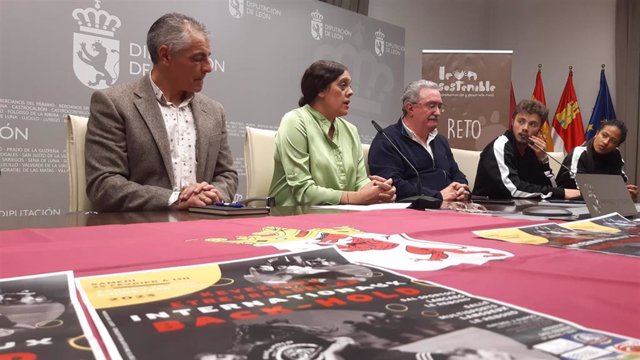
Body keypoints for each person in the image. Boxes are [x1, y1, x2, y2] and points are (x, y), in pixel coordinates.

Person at [85, 13, 238, 212]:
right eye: (197, 58)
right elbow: (104, 184)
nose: (208, 67)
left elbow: (227, 175)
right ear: (165, 55)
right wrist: (175, 199)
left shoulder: (214, 111)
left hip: (205, 229)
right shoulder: (113, 103)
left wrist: (212, 195)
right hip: (142, 230)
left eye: (208, 58)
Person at [268, 60, 396, 206]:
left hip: (340, 219)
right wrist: (352, 198)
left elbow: (359, 182)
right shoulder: (295, 121)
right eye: (343, 85)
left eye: (350, 85)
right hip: (293, 218)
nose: (351, 92)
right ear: (321, 90)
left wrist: (379, 191)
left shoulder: (350, 130)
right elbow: (302, 190)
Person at [368, 80, 469, 201]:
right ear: (410, 108)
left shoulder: (440, 140)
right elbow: (392, 184)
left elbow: (457, 173)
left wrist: (461, 189)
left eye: (439, 106)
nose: (437, 112)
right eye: (431, 106)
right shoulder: (386, 140)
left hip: (452, 206)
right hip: (414, 212)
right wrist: (437, 197)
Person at [473, 99, 581, 200]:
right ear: (512, 122)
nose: (525, 128)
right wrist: (561, 193)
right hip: (489, 209)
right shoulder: (500, 146)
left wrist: (543, 160)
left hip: (523, 210)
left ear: (539, 128)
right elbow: (513, 189)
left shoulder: (533, 149)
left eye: (532, 124)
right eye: (521, 121)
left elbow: (551, 187)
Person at [556, 120, 638, 201]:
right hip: (571, 203)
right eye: (604, 135)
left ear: (617, 145)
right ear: (597, 133)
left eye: (613, 141)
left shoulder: (616, 155)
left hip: (603, 202)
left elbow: (618, 183)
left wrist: (626, 193)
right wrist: (618, 193)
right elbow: (584, 189)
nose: (606, 142)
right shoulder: (579, 153)